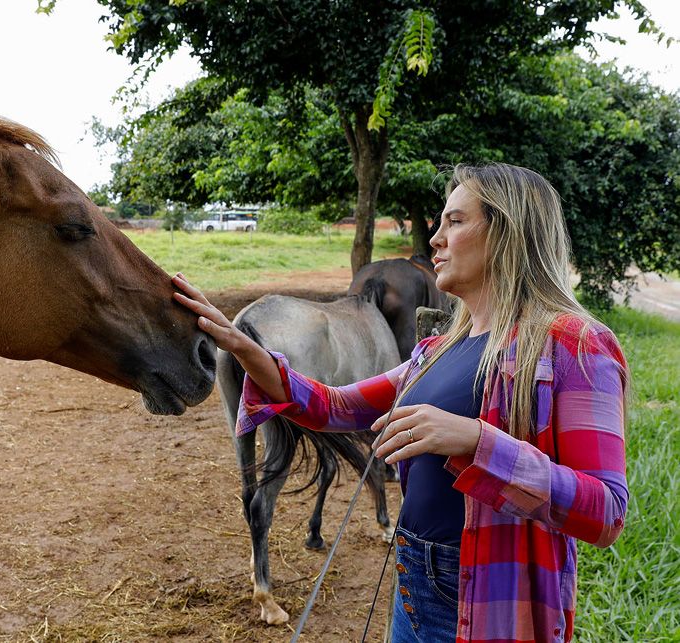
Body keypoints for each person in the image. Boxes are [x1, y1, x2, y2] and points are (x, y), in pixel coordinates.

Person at [173, 163, 628, 643]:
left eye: (454, 221)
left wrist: (475, 441)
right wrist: (244, 348)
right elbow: (333, 406)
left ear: (507, 233)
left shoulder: (575, 345)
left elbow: (606, 513)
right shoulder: (435, 351)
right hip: (413, 580)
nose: (434, 238)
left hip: (489, 593)